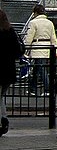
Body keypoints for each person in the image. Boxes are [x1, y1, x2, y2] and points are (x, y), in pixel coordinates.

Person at [23, 4, 57, 96]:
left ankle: (47, 89)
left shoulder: (33, 22)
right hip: (47, 46)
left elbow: (29, 37)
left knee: (40, 68)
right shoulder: (49, 23)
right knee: (37, 68)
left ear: (35, 12)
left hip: (37, 46)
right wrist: (55, 50)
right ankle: (32, 89)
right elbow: (53, 37)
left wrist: (26, 49)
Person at [0, 9, 23, 137]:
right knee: (0, 97)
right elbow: (17, 51)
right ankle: (4, 119)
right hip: (8, 70)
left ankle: (2, 121)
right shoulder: (11, 32)